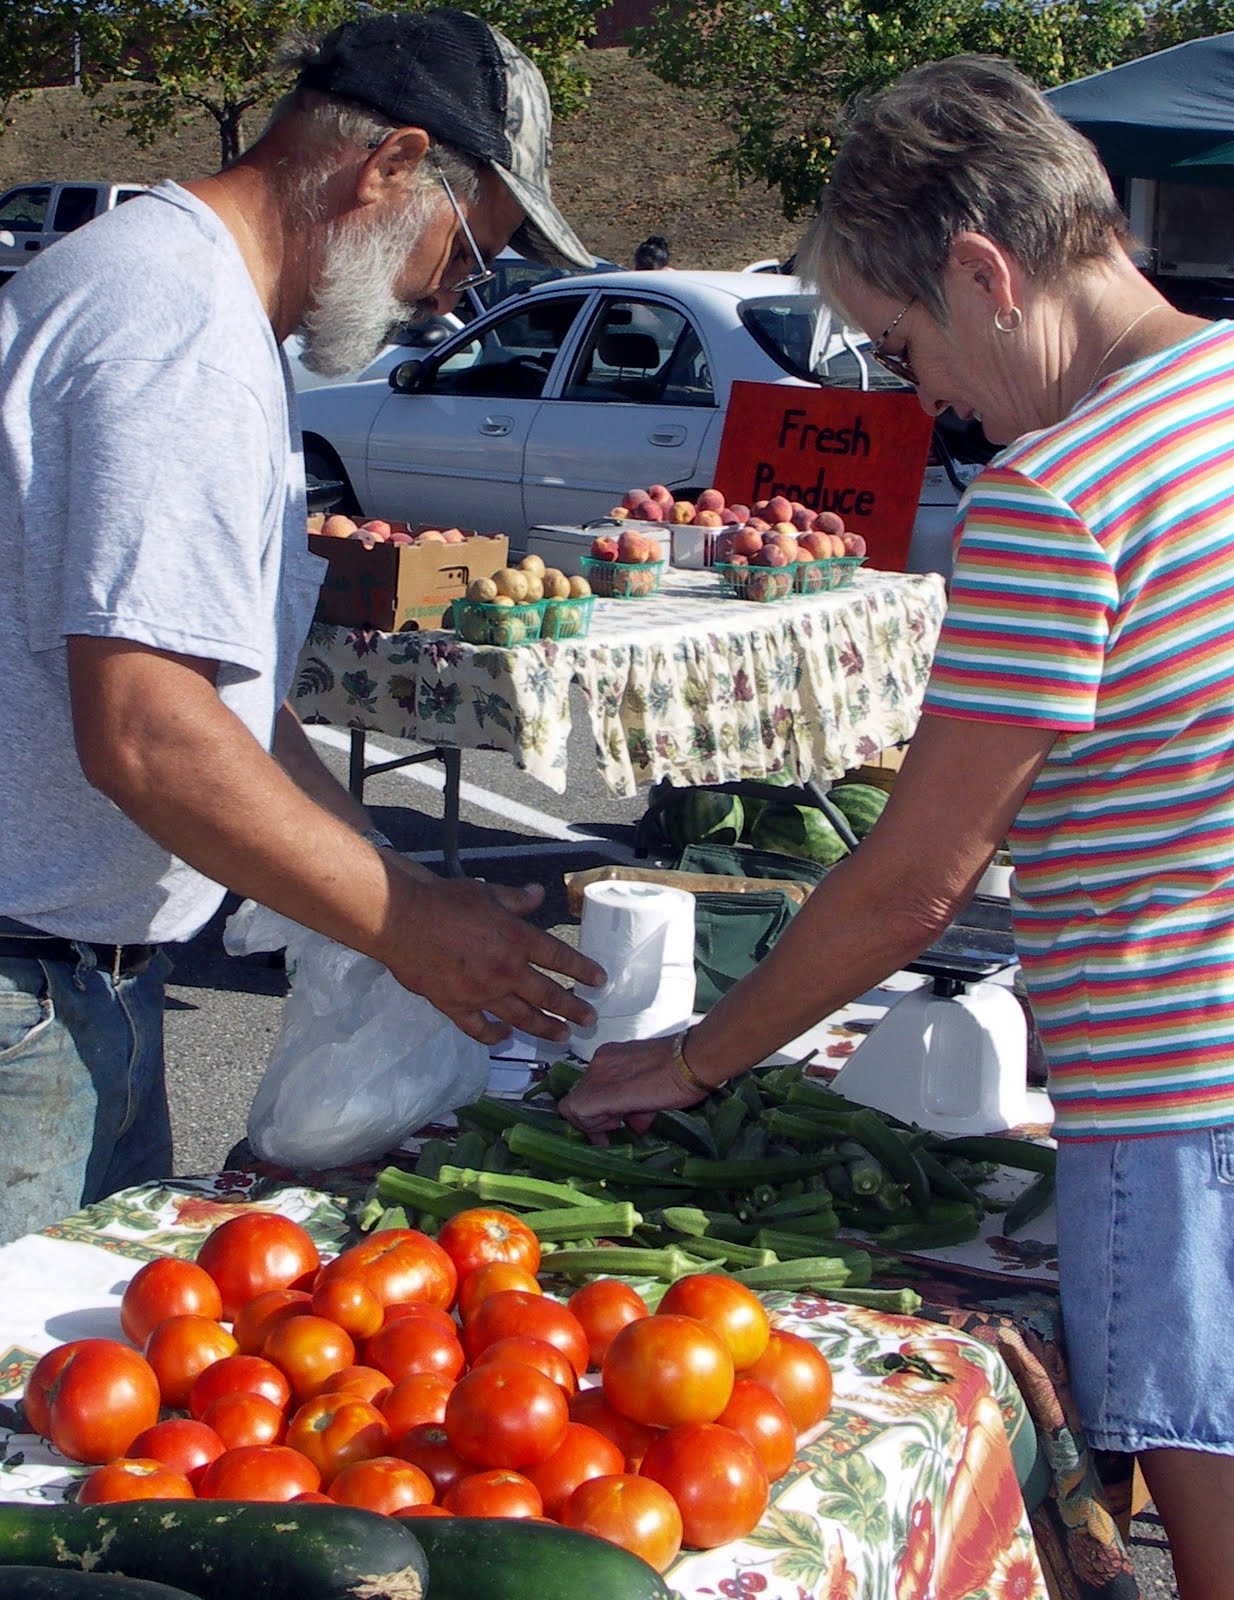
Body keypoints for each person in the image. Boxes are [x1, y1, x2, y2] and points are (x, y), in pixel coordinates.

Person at [561, 54, 1234, 1600]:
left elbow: (915, 887)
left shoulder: (1056, 497)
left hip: (1176, 1093)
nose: (917, 394)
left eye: (903, 340)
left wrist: (690, 1059)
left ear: (986, 273)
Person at [0, 6, 608, 1244]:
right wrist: (406, 923)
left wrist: (389, 882)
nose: (451, 299)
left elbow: (222, 699)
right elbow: (150, 733)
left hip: (82, 982)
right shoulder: (175, 332)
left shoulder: (209, 312)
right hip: (27, 994)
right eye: (466, 252)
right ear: (388, 165)